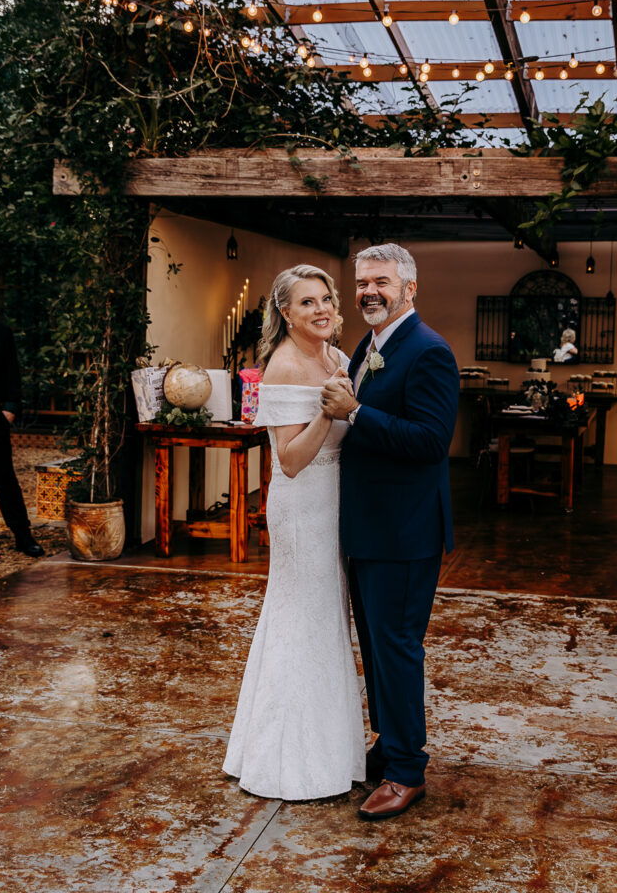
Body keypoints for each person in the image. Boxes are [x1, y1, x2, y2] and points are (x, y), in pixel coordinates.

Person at [321, 244, 459, 821]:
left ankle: (407, 771)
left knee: (397, 650)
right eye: (361, 283)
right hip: (368, 527)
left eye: (381, 281)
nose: (369, 292)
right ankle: (388, 744)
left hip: (404, 532)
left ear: (410, 290)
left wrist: (354, 413)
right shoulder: (368, 346)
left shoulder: (429, 351)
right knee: (376, 650)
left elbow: (431, 441)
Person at [223, 265, 365, 800]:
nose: (322, 309)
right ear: (284, 313)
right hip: (302, 507)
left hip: (336, 504)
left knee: (327, 618)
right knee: (301, 616)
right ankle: (286, 759)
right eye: (307, 303)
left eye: (326, 298)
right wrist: (329, 415)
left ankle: (332, 747)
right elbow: (288, 460)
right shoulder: (282, 366)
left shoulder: (337, 356)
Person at [0, 320, 44, 558]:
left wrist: (9, 411)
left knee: (4, 476)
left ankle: (22, 533)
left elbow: (11, 373)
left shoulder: (0, 332)